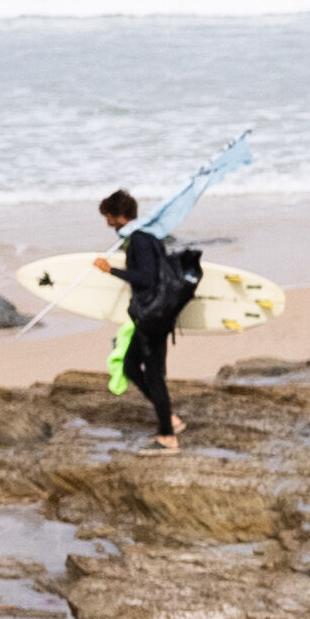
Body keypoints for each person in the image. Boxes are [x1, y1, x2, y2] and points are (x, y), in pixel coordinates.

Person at [91, 190, 180, 452]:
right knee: (131, 367)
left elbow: (146, 279)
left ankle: (168, 436)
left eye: (108, 217)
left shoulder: (140, 240)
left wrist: (111, 270)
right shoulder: (152, 236)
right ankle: (170, 420)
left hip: (152, 317)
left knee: (152, 376)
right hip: (157, 315)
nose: (107, 223)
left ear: (118, 216)